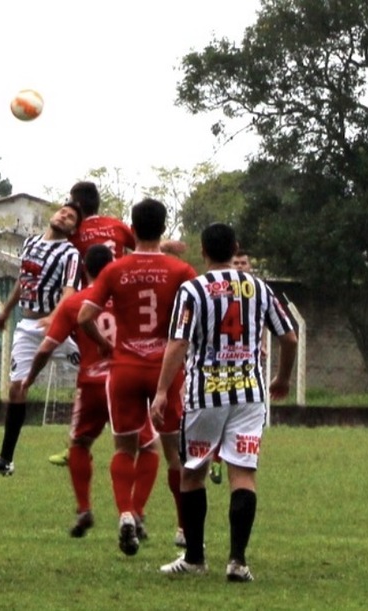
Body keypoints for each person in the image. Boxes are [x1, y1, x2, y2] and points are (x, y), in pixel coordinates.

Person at [154, 222, 297, 580]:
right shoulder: (259, 288)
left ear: (202, 251)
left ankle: (195, 558)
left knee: (192, 474)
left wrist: (160, 391)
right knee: (243, 474)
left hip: (205, 393)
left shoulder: (192, 290)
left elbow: (178, 343)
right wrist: (282, 377)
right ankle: (237, 561)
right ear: (235, 248)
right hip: (250, 393)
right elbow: (290, 337)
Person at [78, 198, 197, 557]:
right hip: (165, 368)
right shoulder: (180, 271)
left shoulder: (116, 269)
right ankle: (181, 527)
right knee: (176, 453)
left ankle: (126, 514)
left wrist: (104, 346)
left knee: (124, 448)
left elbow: (85, 315)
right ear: (164, 226)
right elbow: (195, 316)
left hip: (126, 366)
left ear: (133, 225)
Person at [21, 244, 159, 538]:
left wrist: (29, 378)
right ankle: (136, 511)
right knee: (147, 447)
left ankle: (84, 509)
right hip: (125, 382)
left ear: (84, 269)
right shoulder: (128, 298)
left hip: (92, 385)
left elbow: (46, 347)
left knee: (80, 443)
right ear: (113, 266)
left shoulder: (75, 304)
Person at [0, 200, 84, 476]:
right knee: (17, 388)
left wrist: (56, 317)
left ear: (73, 229)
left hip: (59, 329)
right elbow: (22, 282)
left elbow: (70, 290)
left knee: (95, 371)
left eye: (71, 217)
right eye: (63, 211)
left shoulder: (70, 253)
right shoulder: (30, 244)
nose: (64, 216)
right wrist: (6, 312)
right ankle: (6, 460)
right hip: (27, 326)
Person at [46, 181, 136, 468]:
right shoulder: (118, 226)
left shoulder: (77, 232)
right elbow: (141, 246)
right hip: (120, 302)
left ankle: (77, 441)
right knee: (124, 367)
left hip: (89, 304)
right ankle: (135, 435)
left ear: (78, 205)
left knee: (89, 372)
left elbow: (63, 260)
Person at [208, 248, 253, 486]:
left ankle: (224, 459)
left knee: (235, 419)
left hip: (245, 368)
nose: (239, 266)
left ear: (250, 266)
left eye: (243, 263)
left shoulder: (254, 290)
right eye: (236, 262)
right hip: (218, 366)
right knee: (223, 416)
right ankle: (217, 460)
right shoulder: (215, 290)